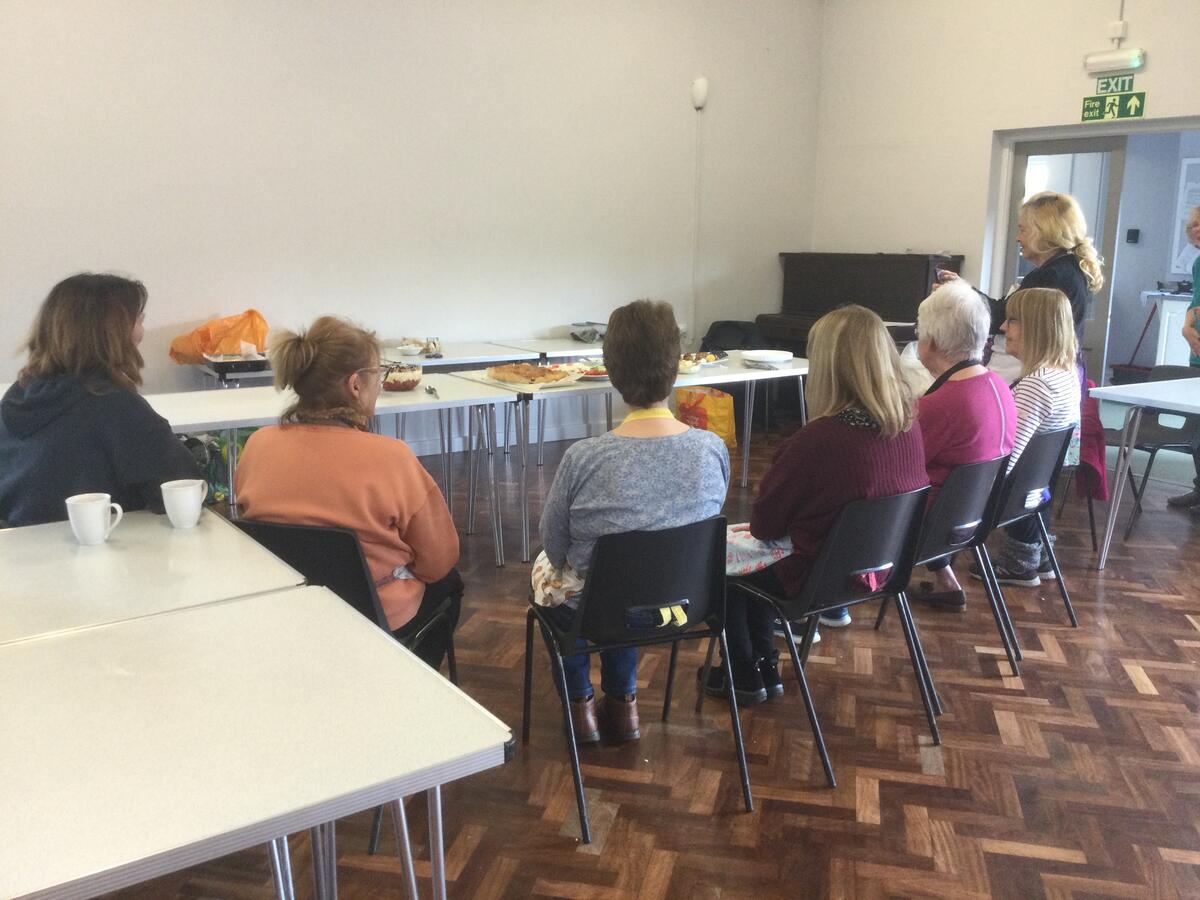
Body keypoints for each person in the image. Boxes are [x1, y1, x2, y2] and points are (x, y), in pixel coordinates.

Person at [705, 306, 928, 705]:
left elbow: (765, 525)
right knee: (755, 564)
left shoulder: (818, 440)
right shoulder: (908, 426)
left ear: (827, 367)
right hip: (878, 568)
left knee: (727, 564)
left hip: (814, 578)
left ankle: (743, 672)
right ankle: (764, 666)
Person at [536, 299, 729, 744]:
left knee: (562, 583)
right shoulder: (711, 449)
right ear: (675, 366)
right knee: (629, 580)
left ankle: (581, 708)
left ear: (611, 371)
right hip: (685, 602)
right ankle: (624, 705)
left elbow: (555, 545)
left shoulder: (584, 458)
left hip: (600, 607)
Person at [234, 316, 462, 667]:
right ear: (355, 384)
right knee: (450, 584)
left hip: (286, 610)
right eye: (378, 374)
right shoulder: (391, 458)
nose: (380, 384)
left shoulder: (257, 445)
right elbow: (438, 561)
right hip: (375, 618)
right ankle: (409, 679)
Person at [0, 273, 199, 527]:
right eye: (138, 321)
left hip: (18, 545)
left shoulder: (17, 396)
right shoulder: (114, 404)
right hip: (100, 544)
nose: (141, 333)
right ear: (113, 333)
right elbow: (183, 491)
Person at [911, 283, 1017, 609]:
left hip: (927, 527)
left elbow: (896, 469)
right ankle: (946, 580)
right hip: (972, 518)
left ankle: (834, 599)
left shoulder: (940, 405)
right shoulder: (999, 387)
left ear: (931, 342)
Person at [968, 288, 1080, 587]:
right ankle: (1036, 551)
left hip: (1011, 499)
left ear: (1037, 327)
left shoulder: (1037, 384)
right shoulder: (1066, 374)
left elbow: (1006, 458)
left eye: (1013, 320)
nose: (1003, 328)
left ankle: (944, 572)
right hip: (1035, 495)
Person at [937, 191, 1104, 373]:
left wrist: (962, 293)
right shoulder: (1064, 270)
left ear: (1044, 232)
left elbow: (1000, 318)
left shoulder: (1052, 276)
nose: (1018, 238)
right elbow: (1003, 312)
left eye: (1023, 230)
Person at [1167, 206, 1200, 514]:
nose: (1196, 229)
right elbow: (1195, 302)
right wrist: (1187, 327)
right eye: (1194, 225)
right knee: (1196, 429)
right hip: (1197, 353)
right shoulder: (1198, 263)